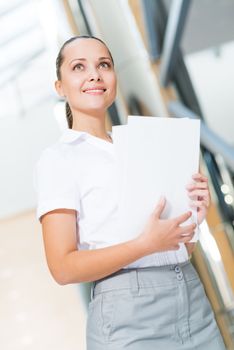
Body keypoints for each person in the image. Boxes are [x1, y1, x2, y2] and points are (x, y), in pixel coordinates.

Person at [34, 35, 226, 350]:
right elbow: (63, 267)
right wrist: (144, 245)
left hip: (189, 294)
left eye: (103, 65)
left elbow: (175, 248)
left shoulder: (142, 147)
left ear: (114, 79)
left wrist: (193, 218)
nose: (94, 74)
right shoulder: (59, 159)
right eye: (79, 67)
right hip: (127, 317)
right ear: (60, 87)